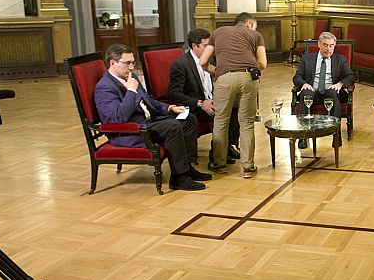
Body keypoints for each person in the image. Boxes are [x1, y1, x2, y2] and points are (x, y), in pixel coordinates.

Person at [94, 44, 211, 191]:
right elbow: (118, 118)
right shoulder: (104, 87)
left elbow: (147, 101)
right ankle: (179, 178)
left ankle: (186, 168)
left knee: (189, 119)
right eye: (127, 63)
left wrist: (169, 107)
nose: (131, 67)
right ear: (113, 63)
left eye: (133, 63)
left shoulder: (131, 77)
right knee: (173, 127)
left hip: (149, 121)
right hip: (131, 131)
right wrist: (131, 90)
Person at [199, 12, 267, 178]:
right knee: (246, 122)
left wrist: (216, 72)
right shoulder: (255, 35)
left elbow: (202, 61)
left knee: (221, 120)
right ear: (249, 24)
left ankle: (219, 164)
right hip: (249, 78)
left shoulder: (218, 32)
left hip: (224, 78)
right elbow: (263, 64)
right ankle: (248, 167)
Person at [167, 28, 241, 168]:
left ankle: (226, 148)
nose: (210, 49)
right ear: (194, 46)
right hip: (195, 106)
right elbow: (173, 94)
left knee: (235, 105)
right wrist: (201, 103)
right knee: (225, 112)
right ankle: (217, 156)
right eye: (206, 46)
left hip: (213, 101)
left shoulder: (212, 60)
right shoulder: (181, 65)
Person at [292, 31, 355, 149]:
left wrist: (340, 84)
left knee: (332, 93)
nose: (328, 49)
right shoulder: (308, 58)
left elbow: (351, 76)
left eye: (331, 46)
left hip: (330, 92)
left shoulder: (340, 59)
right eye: (325, 45)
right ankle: (303, 137)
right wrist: (304, 83)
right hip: (313, 91)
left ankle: (336, 135)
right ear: (319, 44)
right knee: (305, 94)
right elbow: (297, 77)